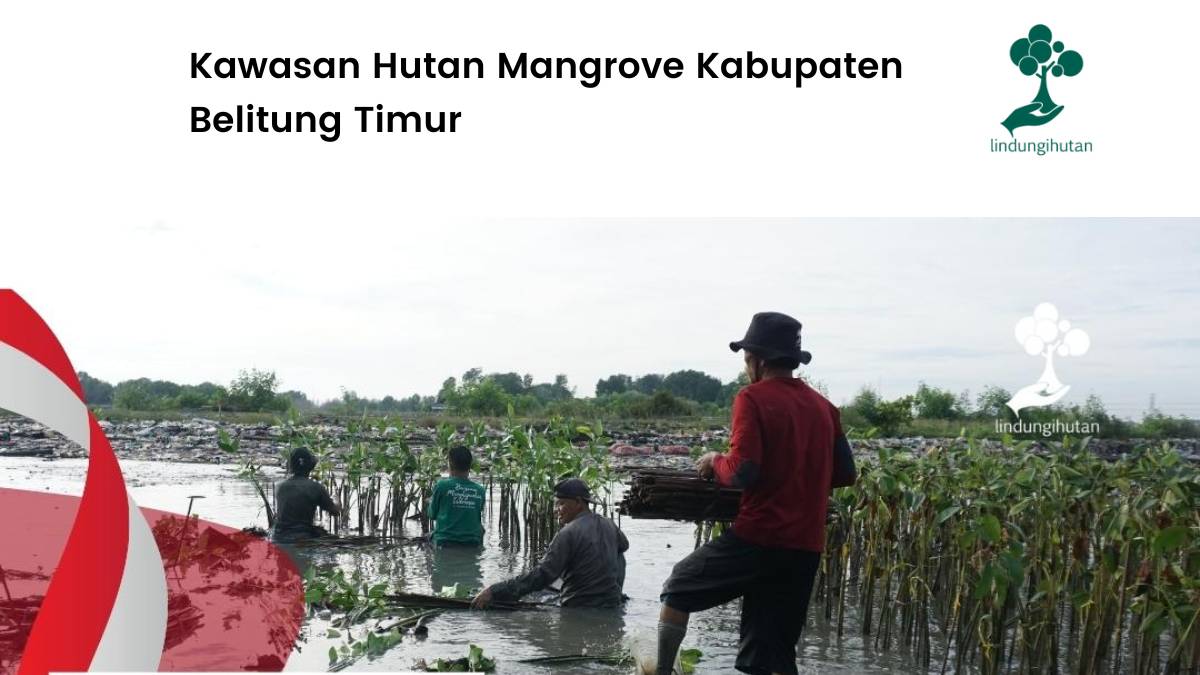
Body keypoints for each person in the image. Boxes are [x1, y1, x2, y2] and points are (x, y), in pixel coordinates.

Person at [654, 312, 857, 675]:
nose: (747, 365)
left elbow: (743, 472)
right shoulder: (826, 408)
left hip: (760, 536)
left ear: (757, 359)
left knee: (678, 587)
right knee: (772, 654)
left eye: (747, 358)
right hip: (805, 546)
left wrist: (715, 459)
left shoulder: (752, 398)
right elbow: (846, 474)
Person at [471, 478, 628, 609]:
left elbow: (543, 575)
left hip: (578, 607)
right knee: (619, 554)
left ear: (579, 502)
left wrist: (495, 591)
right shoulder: (609, 524)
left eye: (561, 504)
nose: (556, 510)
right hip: (610, 604)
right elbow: (624, 547)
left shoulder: (568, 533)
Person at [271, 447, 341, 542]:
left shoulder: (279, 486)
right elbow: (335, 512)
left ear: (290, 466)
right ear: (310, 466)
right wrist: (336, 499)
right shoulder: (316, 487)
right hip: (303, 538)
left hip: (278, 537)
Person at [427, 446, 486, 548]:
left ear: (449, 464)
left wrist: (430, 502)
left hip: (445, 541)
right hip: (472, 542)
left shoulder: (441, 486)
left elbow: (432, 515)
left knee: (427, 542)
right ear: (470, 465)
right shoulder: (480, 490)